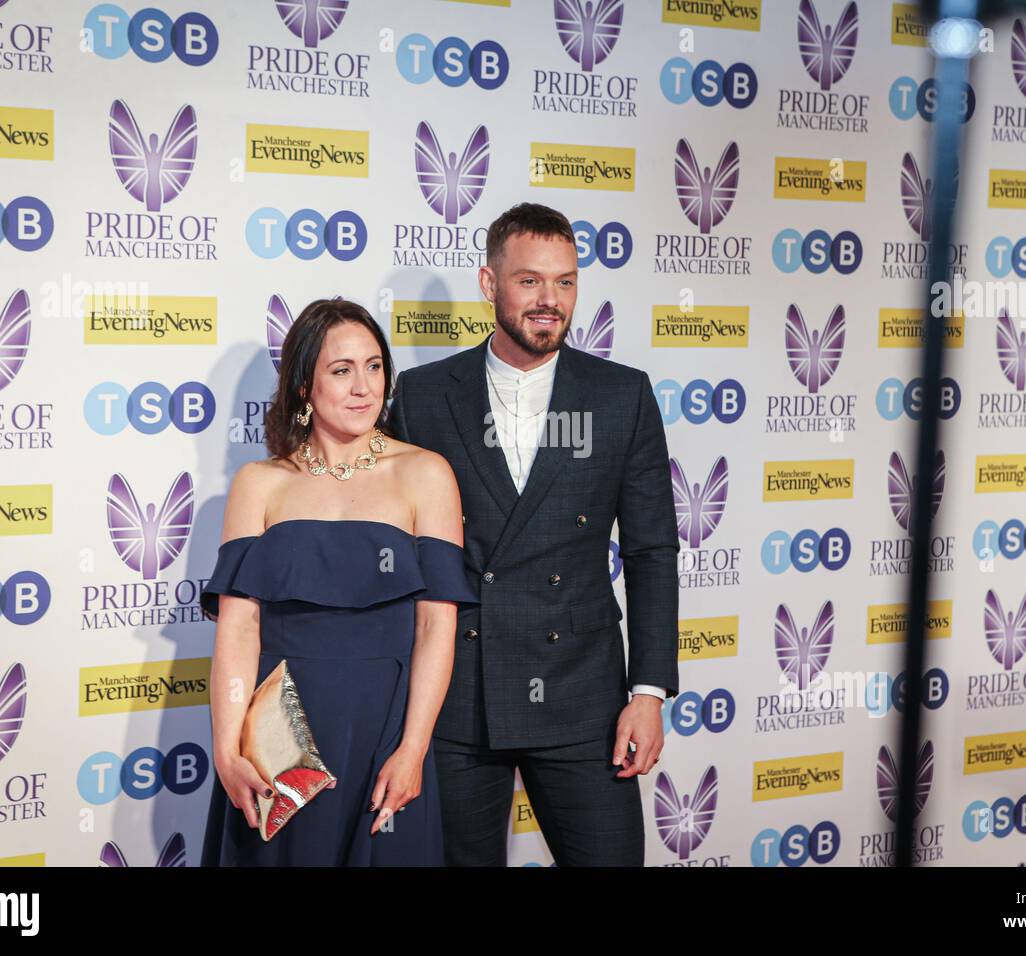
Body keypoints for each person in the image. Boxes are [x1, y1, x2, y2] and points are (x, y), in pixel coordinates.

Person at [388, 203, 680, 866]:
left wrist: (649, 691)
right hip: (461, 698)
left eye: (565, 282)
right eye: (529, 281)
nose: (550, 301)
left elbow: (652, 552)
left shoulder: (620, 395)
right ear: (490, 284)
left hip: (584, 699)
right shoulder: (425, 395)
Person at [199, 298, 476, 865]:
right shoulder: (259, 484)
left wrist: (414, 748)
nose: (364, 387)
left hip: (385, 732)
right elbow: (238, 631)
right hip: (277, 739)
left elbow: (435, 628)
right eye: (342, 370)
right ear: (304, 384)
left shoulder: (425, 474)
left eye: (374, 367)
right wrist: (228, 750)